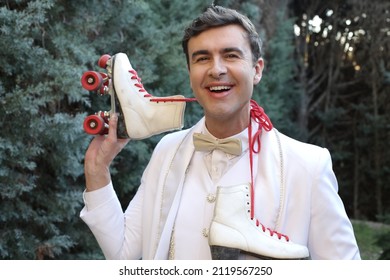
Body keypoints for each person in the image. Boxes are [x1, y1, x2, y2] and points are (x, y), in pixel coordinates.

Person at [80, 5, 361, 260]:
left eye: (230, 55)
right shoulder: (166, 151)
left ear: (257, 70)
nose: (216, 70)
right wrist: (97, 170)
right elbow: (123, 256)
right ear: (190, 73)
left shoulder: (309, 166)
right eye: (202, 58)